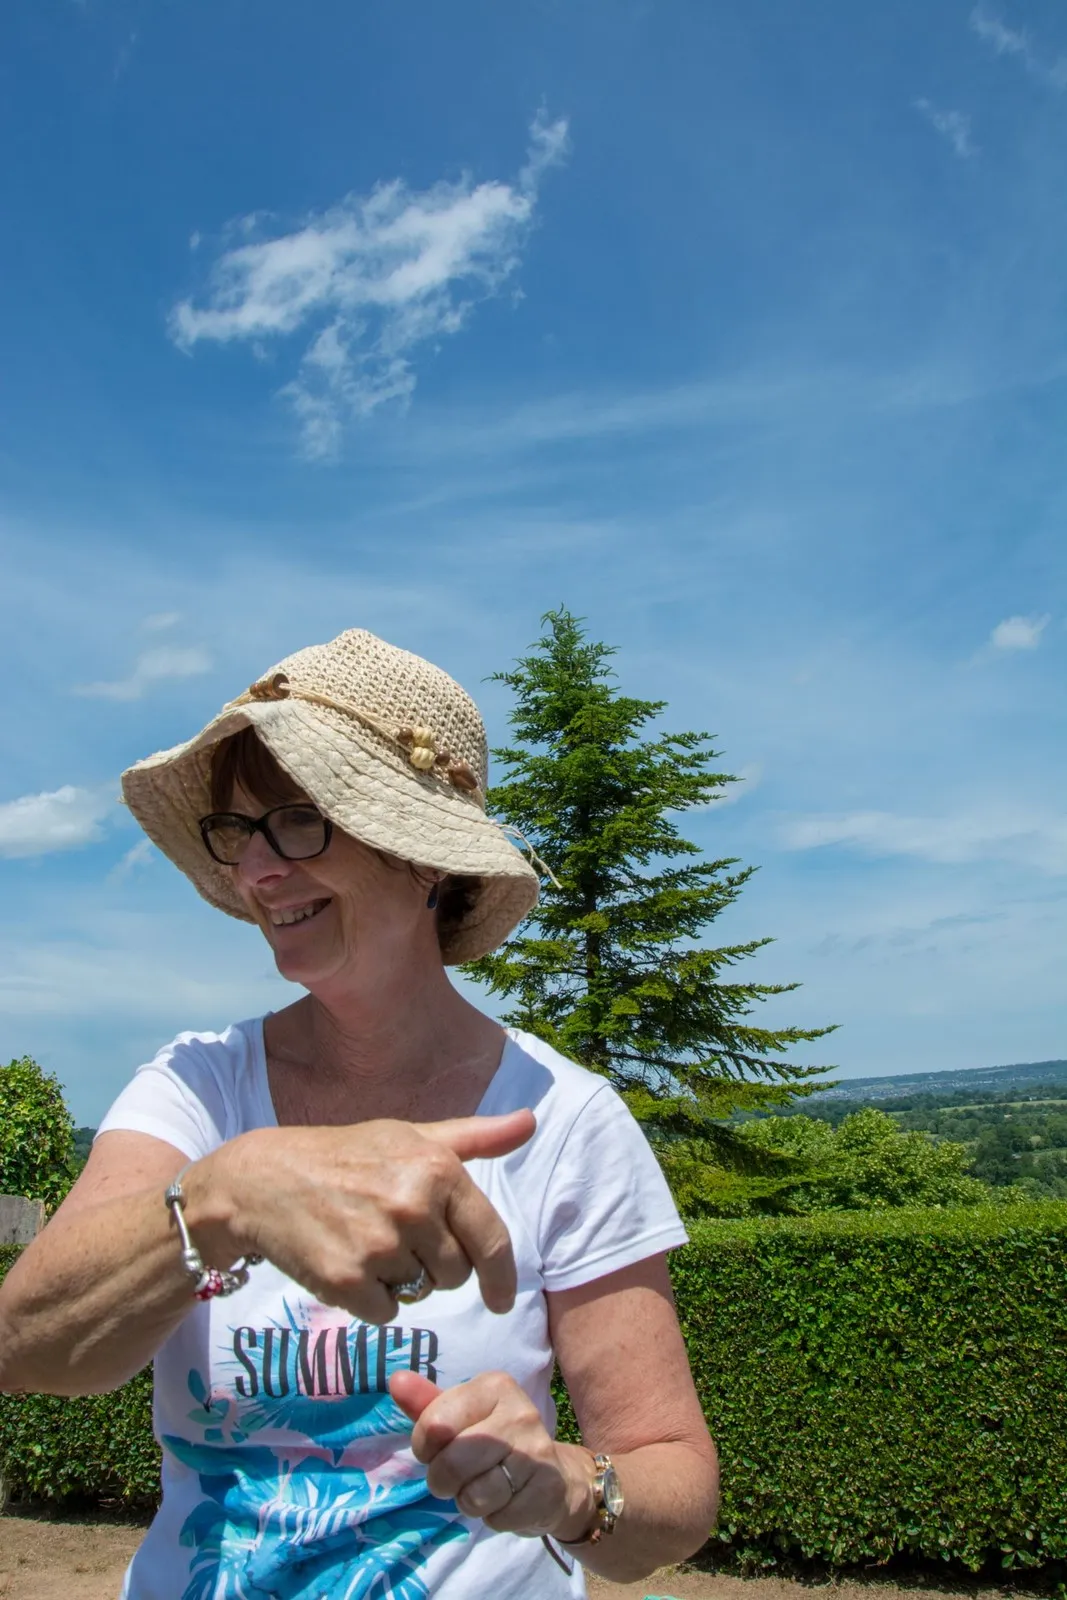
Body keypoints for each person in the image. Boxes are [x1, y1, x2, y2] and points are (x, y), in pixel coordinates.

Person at [0, 628, 718, 1599]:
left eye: (298, 821)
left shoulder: (562, 1118)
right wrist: (220, 1197)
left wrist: (565, 1486)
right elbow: (28, 1347)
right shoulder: (195, 1091)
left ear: (425, 858)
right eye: (236, 831)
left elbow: (674, 1485)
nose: (256, 871)